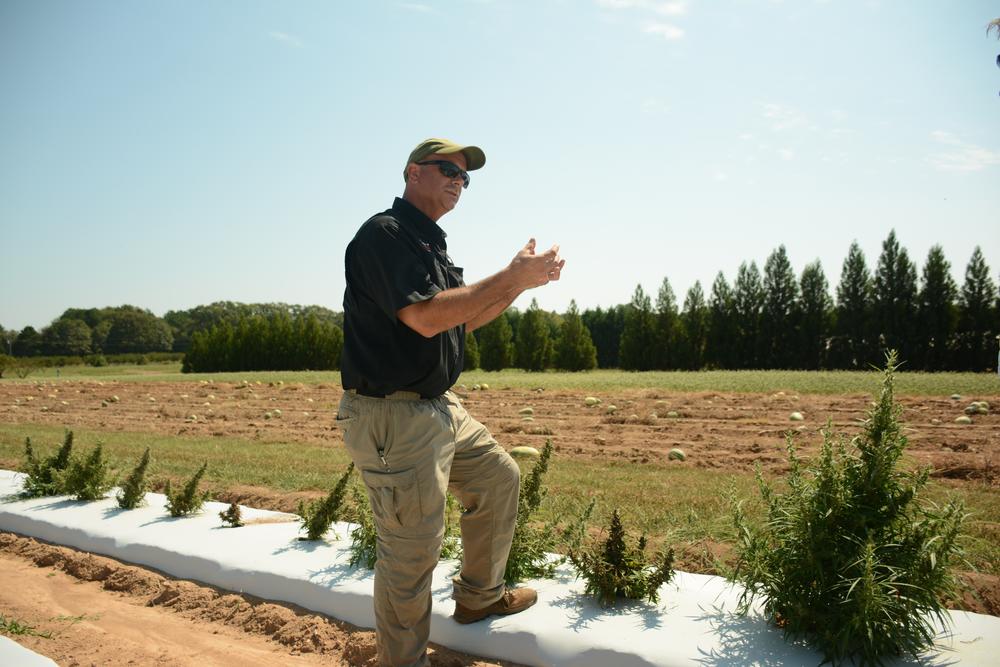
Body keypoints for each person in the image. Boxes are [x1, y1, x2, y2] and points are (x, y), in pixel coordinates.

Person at [338, 137, 564, 667]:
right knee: (411, 548)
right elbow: (424, 317)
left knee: (497, 477)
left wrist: (518, 287)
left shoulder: (430, 244)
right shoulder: (384, 236)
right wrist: (509, 276)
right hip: (393, 414)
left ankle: (477, 598)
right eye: (447, 170)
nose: (458, 182)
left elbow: (461, 318)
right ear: (413, 172)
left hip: (437, 407)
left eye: (465, 177)